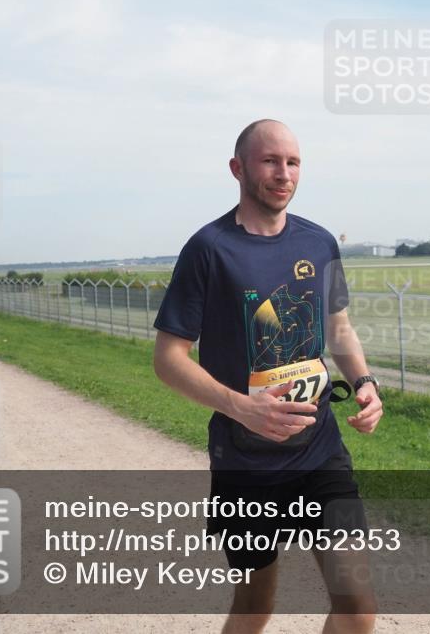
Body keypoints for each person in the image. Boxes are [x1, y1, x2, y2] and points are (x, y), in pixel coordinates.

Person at [153, 119, 383, 634]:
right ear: (237, 168)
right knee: (255, 606)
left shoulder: (319, 242)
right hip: (245, 462)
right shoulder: (209, 248)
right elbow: (168, 358)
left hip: (319, 452)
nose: (284, 174)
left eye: (293, 162)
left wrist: (365, 382)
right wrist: (242, 407)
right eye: (270, 161)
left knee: (358, 603)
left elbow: (338, 326)